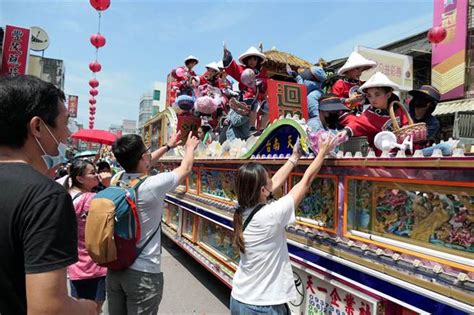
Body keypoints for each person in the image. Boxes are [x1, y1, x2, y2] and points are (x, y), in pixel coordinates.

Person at [0, 75, 96, 315]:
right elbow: (49, 309)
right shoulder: (45, 196)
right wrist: (86, 308)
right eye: (64, 123)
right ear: (38, 127)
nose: (66, 135)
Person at [230, 136, 335, 314]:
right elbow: (305, 181)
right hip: (262, 306)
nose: (272, 178)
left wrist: (294, 157)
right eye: (267, 178)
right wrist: (322, 153)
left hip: (240, 298)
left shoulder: (241, 208)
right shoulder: (270, 215)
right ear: (263, 190)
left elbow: (274, 182)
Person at [107, 130, 200, 314]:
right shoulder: (152, 186)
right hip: (143, 273)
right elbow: (185, 168)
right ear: (143, 157)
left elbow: (144, 164)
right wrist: (190, 148)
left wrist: (168, 146)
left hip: (115, 269)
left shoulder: (116, 180)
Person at [64, 159, 108, 313]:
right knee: (95, 308)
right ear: (80, 178)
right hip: (94, 262)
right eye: (92, 173)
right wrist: (106, 186)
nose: (97, 175)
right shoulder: (91, 198)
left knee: (79, 307)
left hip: (75, 264)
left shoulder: (65, 195)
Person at [336, 72, 409, 152]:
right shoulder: (369, 114)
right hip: (382, 157)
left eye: (377, 94)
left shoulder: (398, 109)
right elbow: (357, 124)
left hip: (404, 152)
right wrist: (346, 132)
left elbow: (408, 126)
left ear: (388, 94)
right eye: (369, 96)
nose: (373, 99)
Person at [223, 45, 269, 132]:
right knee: (252, 105)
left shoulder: (262, 72)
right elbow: (234, 69)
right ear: (246, 60)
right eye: (250, 59)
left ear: (258, 61)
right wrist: (227, 57)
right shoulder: (243, 70)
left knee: (267, 108)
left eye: (254, 59)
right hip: (246, 97)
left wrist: (260, 82)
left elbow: (266, 81)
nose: (252, 61)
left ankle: (262, 129)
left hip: (259, 98)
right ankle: (233, 121)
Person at [331, 51, 377, 125]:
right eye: (357, 69)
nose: (360, 73)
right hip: (344, 115)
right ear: (348, 70)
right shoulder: (339, 84)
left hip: (362, 113)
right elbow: (332, 102)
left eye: (361, 70)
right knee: (358, 122)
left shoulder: (362, 84)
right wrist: (349, 100)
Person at [287, 64, 327, 132]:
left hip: (316, 129)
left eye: (305, 78)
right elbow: (303, 87)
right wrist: (296, 77)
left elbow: (317, 118)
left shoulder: (311, 97)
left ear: (311, 80)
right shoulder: (318, 91)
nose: (303, 80)